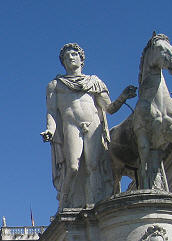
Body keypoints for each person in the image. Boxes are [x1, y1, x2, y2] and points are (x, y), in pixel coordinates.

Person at [41, 43, 136, 209]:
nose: (70, 58)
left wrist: (123, 96)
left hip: (93, 124)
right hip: (71, 125)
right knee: (72, 167)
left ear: (81, 59)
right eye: (66, 56)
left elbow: (109, 108)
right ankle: (65, 201)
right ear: (63, 62)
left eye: (74, 54)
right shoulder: (55, 85)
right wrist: (50, 129)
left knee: (94, 165)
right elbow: (52, 112)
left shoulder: (95, 82)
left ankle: (95, 204)